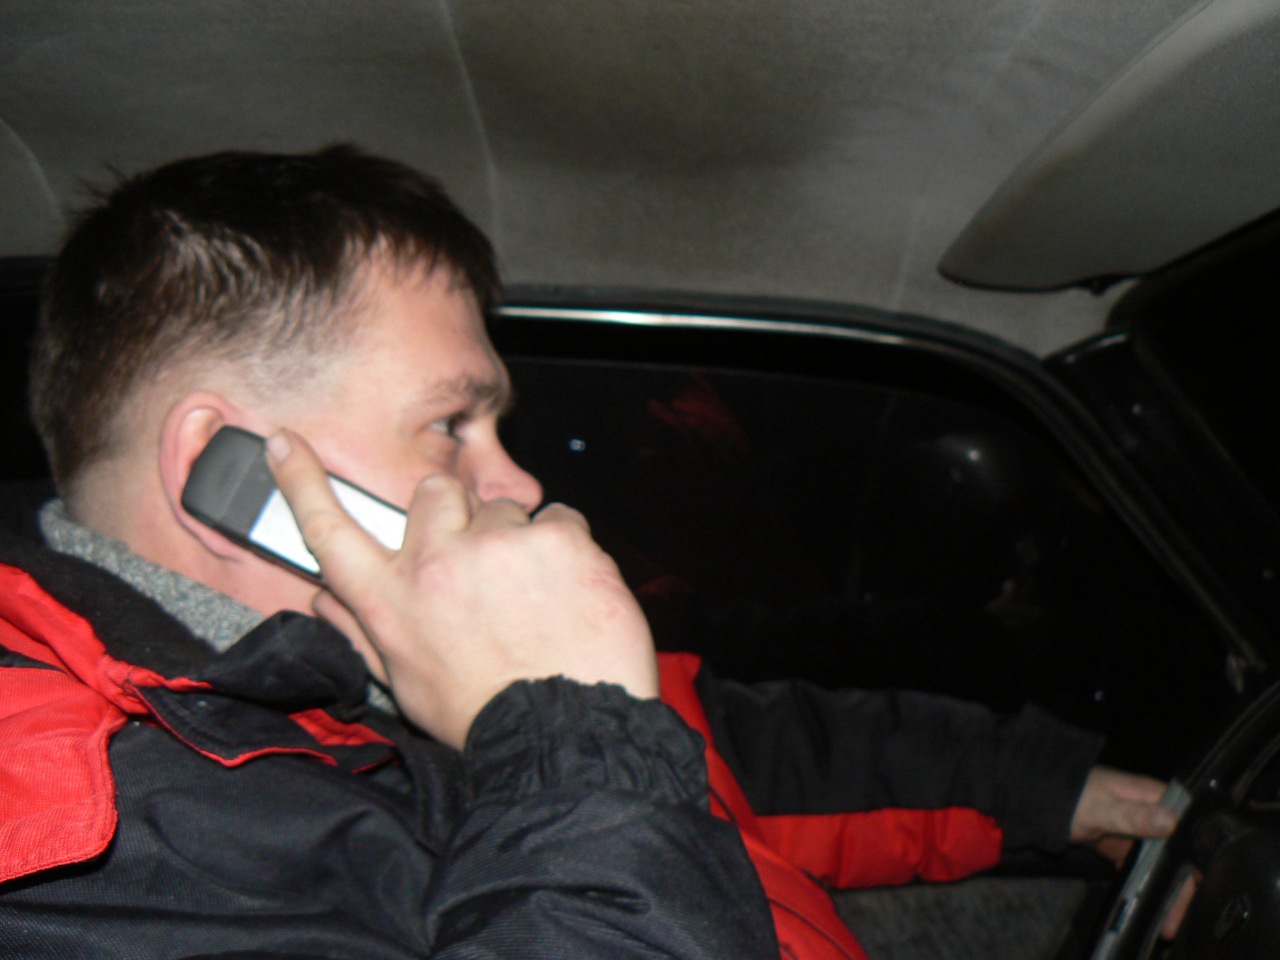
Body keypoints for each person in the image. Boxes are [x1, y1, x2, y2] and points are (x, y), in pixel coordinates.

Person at [0, 146, 1177, 959]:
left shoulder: (391, 682)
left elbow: (742, 747)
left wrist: (1051, 788)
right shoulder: (73, 847)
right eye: (451, 425)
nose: (516, 486)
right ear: (226, 472)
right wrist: (566, 744)